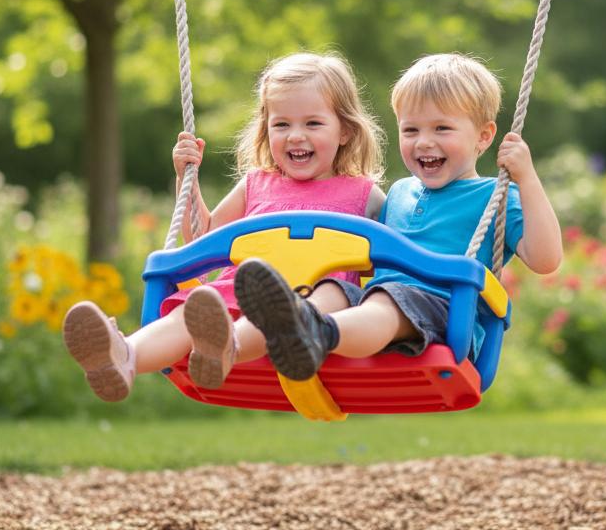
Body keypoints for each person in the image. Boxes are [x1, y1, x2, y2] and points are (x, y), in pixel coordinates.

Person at [62, 52, 386, 400]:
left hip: (309, 306)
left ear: (345, 131)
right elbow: (204, 238)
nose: (295, 136)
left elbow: (397, 258)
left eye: (312, 124)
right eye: (282, 124)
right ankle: (124, 356)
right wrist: (186, 179)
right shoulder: (255, 184)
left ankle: (225, 346)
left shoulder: (365, 195)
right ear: (266, 130)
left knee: (272, 316)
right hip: (240, 289)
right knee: (189, 314)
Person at [232, 53, 563, 380]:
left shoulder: (495, 196)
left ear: (484, 136)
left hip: (444, 312)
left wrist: (527, 178)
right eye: (411, 130)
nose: (424, 142)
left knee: (387, 302)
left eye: (442, 128)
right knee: (333, 288)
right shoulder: (400, 193)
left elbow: (545, 259)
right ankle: (286, 327)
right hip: (382, 302)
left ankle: (317, 333)